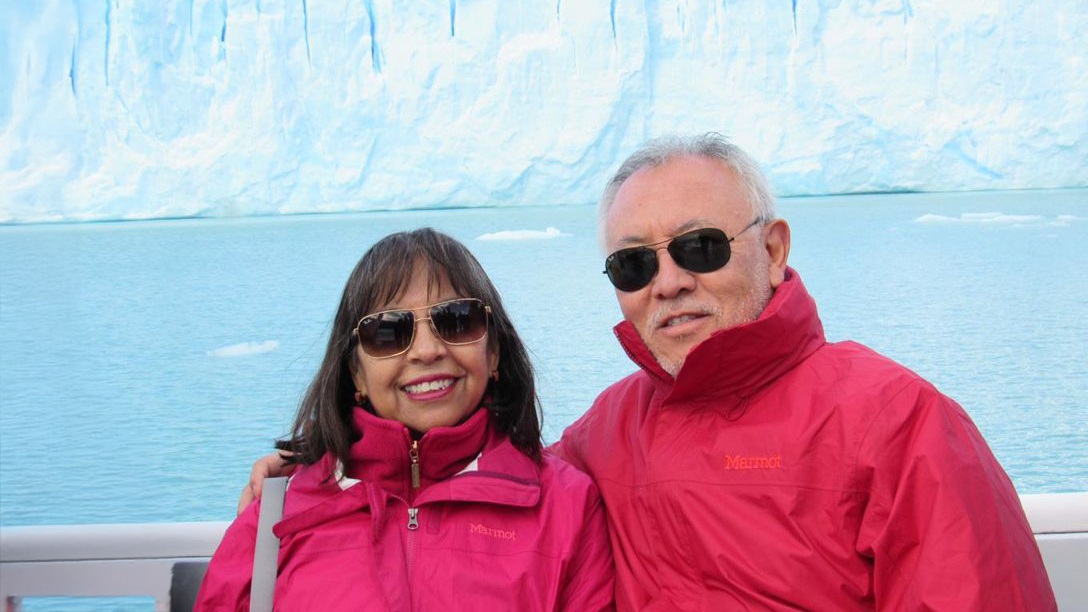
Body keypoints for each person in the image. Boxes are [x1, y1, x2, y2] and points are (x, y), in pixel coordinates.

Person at [243, 135, 1056, 610]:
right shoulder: (608, 434)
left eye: (699, 248)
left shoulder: (897, 421)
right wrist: (318, 473)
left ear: (772, 250)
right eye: (633, 265)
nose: (667, 282)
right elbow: (479, 482)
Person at [198, 229, 614, 611]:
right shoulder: (275, 517)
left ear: (495, 353)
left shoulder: (566, 507)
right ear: (355, 373)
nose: (427, 351)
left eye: (457, 320)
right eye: (388, 332)